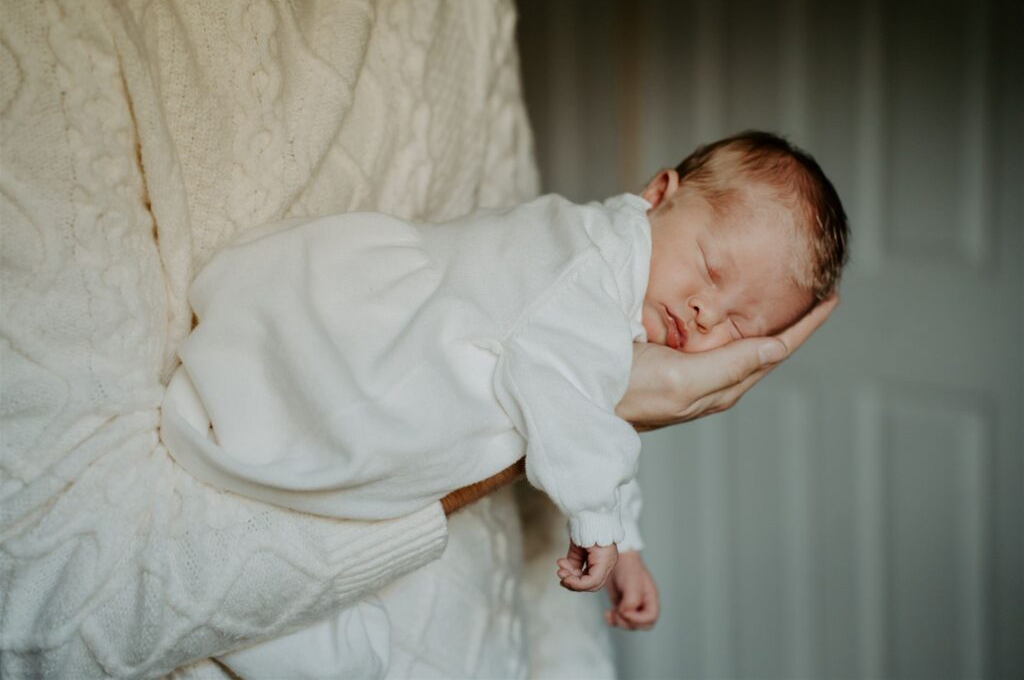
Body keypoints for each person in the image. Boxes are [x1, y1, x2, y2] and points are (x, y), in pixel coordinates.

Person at [159, 131, 848, 671]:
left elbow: (597, 405)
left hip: (391, 368)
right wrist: (596, 521)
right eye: (710, 266)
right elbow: (568, 390)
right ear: (658, 194)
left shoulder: (624, 302)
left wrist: (627, 543)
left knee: (333, 648)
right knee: (317, 467)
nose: (704, 311)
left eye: (737, 324)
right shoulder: (590, 258)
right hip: (349, 357)